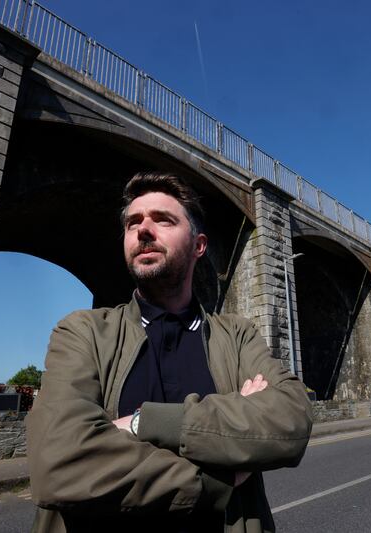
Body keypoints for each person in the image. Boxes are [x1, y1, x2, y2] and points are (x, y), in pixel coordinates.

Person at [27, 172, 313, 532]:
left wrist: (139, 424)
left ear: (199, 245)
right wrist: (217, 476)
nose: (143, 229)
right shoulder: (83, 332)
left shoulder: (237, 335)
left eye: (163, 219)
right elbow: (59, 462)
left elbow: (291, 419)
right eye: (133, 222)